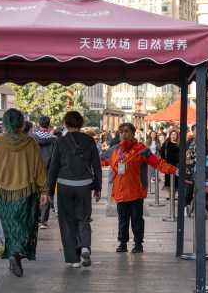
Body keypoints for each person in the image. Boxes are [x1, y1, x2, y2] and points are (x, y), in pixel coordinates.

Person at [0, 108, 48, 278]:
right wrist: (44, 190)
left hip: (4, 195)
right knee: (25, 226)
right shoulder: (29, 143)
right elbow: (39, 169)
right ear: (21, 123)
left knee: (10, 227)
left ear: (5, 124)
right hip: (27, 193)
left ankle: (12, 256)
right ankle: (16, 255)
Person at [100, 123, 176, 253]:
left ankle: (138, 243)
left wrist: (175, 170)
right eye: (121, 132)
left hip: (136, 192)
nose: (123, 134)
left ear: (133, 133)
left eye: (127, 131)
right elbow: (97, 160)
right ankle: (122, 243)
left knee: (137, 219)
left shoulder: (141, 150)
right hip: (119, 192)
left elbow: (157, 162)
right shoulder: (114, 150)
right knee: (122, 219)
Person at [47, 111, 101, 268]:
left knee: (67, 222)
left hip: (64, 185)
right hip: (84, 185)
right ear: (81, 123)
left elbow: (53, 168)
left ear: (65, 123)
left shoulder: (60, 142)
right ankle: (84, 246)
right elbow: (96, 165)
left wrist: (50, 190)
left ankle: (72, 259)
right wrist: (97, 188)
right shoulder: (90, 141)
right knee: (83, 218)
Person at [31, 115, 57, 229]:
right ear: (49, 125)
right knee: (45, 192)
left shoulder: (32, 138)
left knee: (34, 193)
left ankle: (35, 217)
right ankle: (43, 220)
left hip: (34, 169)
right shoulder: (54, 140)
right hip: (48, 169)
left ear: (38, 123)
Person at [160, 128, 180, 199]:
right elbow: (161, 152)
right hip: (168, 163)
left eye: (175, 135)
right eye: (172, 134)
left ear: (177, 136)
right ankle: (168, 193)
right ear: (170, 135)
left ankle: (175, 193)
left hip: (177, 164)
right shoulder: (166, 143)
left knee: (177, 180)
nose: (173, 136)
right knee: (168, 179)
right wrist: (164, 161)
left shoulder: (179, 144)